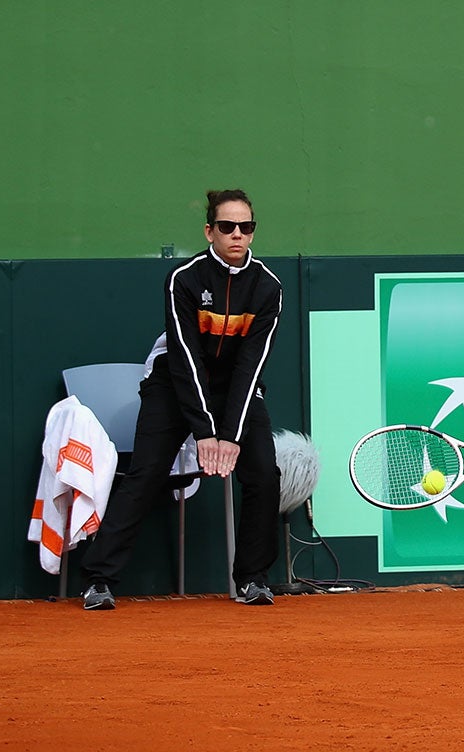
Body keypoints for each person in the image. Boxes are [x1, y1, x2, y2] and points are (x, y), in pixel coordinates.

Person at [80, 190, 282, 611]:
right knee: (148, 472)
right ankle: (99, 580)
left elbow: (251, 367)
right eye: (227, 226)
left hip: (235, 390)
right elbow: (186, 358)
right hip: (173, 382)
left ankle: (252, 579)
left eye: (246, 227)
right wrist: (206, 433)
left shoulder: (267, 287)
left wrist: (230, 434)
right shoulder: (184, 279)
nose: (237, 235)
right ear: (209, 231)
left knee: (264, 472)